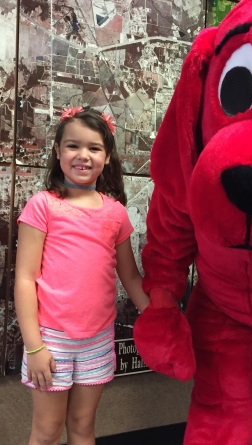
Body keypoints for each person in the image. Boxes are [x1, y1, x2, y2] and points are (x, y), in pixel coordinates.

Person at [14, 106, 149, 445]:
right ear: (58, 151)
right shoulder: (42, 206)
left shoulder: (115, 212)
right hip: (50, 340)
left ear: (106, 157)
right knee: (46, 431)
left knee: (83, 428)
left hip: (97, 341)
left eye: (94, 148)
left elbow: (130, 277)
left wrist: (158, 316)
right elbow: (25, 279)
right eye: (73, 146)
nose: (83, 155)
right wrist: (34, 346)